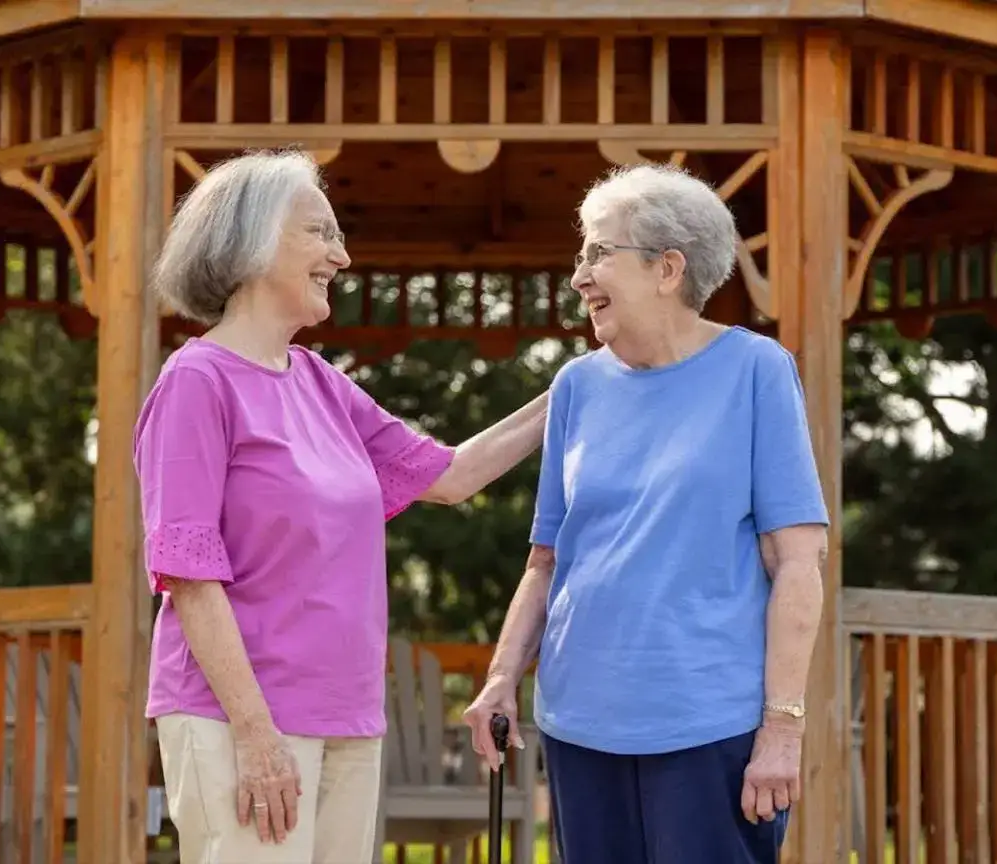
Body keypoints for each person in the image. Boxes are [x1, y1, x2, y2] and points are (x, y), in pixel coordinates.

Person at [135, 149, 549, 864]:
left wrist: (574, 388)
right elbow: (191, 577)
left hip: (348, 718)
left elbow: (451, 476)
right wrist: (255, 734)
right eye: (320, 233)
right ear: (255, 240)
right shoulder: (197, 382)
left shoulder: (320, 383)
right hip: (242, 721)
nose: (344, 256)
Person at [461, 162, 829, 864]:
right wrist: (502, 676)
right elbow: (546, 561)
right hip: (579, 724)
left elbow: (797, 562)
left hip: (707, 725)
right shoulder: (576, 387)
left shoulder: (756, 370)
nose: (579, 277)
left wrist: (783, 725)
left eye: (598, 252)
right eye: (581, 255)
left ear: (668, 268)